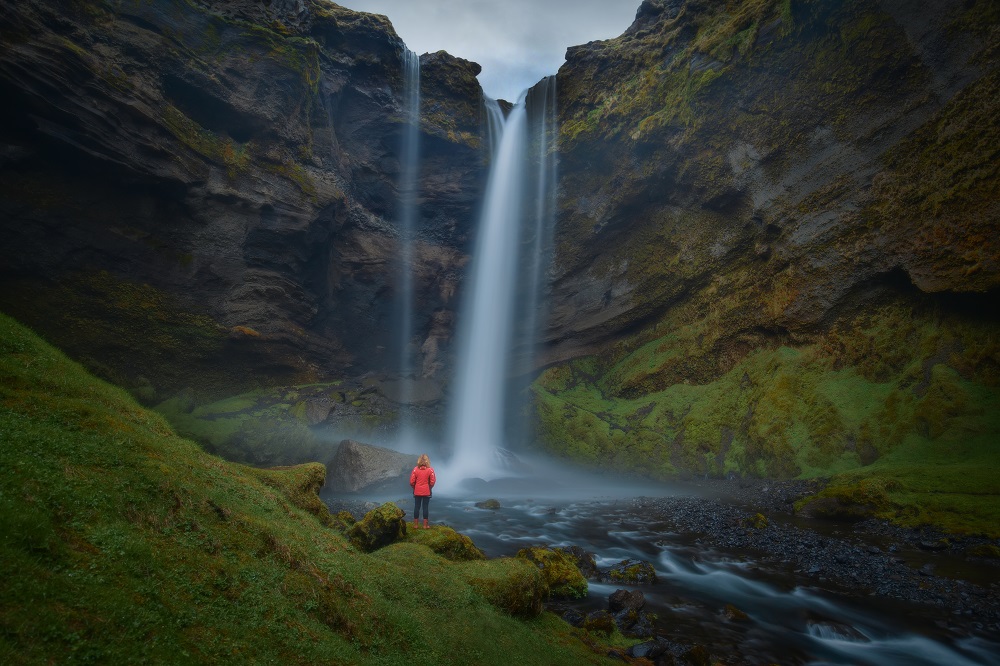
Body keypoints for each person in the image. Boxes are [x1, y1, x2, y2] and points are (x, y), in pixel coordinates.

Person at [409, 453, 436, 529]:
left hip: (417, 491)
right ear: (428, 461)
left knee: (416, 507)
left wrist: (415, 488)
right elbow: (432, 481)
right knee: (425, 507)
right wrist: (429, 487)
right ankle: (425, 525)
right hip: (427, 491)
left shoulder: (415, 469)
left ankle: (416, 525)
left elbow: (411, 482)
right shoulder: (430, 470)